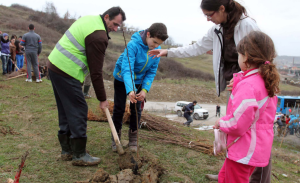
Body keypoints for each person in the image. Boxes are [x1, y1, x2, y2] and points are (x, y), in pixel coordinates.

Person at [47, 7, 126, 166]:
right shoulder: (99, 36)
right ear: (106, 17)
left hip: (55, 64)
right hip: (66, 70)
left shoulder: (90, 19)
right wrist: (103, 99)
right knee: (79, 110)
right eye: (115, 24)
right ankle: (79, 155)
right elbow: (96, 72)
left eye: (119, 26)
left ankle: (67, 150)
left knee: (65, 108)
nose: (116, 29)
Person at [149, 0, 259, 98]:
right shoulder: (216, 30)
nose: (208, 19)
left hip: (250, 85)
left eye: (209, 15)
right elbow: (196, 48)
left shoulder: (247, 26)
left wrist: (243, 76)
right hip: (233, 85)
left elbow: (261, 58)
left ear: (221, 9)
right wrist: (168, 52)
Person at [213, 31, 279, 183]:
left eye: (239, 55)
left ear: (246, 57)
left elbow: (238, 123)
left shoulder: (248, 86)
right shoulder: (265, 81)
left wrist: (221, 123)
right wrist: (239, 83)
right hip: (256, 148)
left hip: (243, 149)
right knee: (224, 177)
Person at [112, 23, 168, 152]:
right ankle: (116, 138)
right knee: (119, 108)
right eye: (154, 42)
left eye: (158, 44)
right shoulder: (133, 45)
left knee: (136, 110)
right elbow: (127, 69)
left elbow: (151, 72)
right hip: (122, 78)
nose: (155, 46)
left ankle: (133, 139)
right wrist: (130, 89)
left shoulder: (156, 50)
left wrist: (144, 90)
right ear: (148, 34)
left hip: (139, 81)